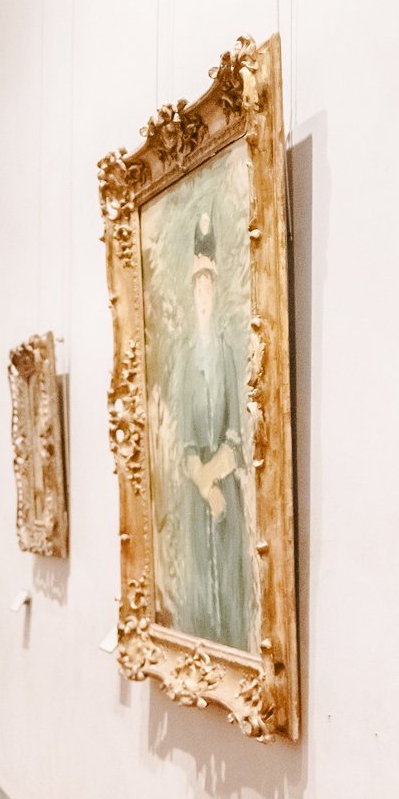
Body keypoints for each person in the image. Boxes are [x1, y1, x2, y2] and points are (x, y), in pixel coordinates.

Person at [167, 210, 254, 650]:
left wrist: (218, 480)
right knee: (201, 597)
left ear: (216, 291)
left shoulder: (226, 351)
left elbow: (236, 438)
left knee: (231, 600)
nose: (204, 293)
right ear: (191, 290)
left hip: (225, 492)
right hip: (198, 492)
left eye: (209, 284)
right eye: (197, 284)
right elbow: (184, 441)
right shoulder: (184, 357)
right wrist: (203, 484)